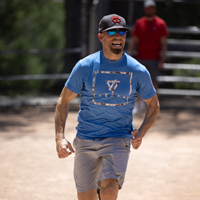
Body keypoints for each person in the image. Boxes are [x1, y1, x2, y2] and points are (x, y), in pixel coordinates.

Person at [55, 14, 160, 200]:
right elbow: (63, 100)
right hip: (86, 138)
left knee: (110, 190)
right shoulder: (85, 66)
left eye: (122, 32)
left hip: (118, 138)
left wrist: (142, 131)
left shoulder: (138, 70)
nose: (118, 36)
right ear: (101, 37)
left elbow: (153, 104)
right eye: (111, 31)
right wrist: (60, 138)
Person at [128, 0, 169, 114]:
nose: (149, 10)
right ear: (144, 9)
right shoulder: (139, 23)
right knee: (137, 82)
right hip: (140, 57)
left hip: (154, 58)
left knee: (154, 82)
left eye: (151, 8)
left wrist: (162, 59)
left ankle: (154, 105)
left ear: (154, 9)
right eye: (148, 8)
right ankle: (138, 104)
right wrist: (130, 55)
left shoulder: (160, 23)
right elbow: (134, 40)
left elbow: (163, 43)